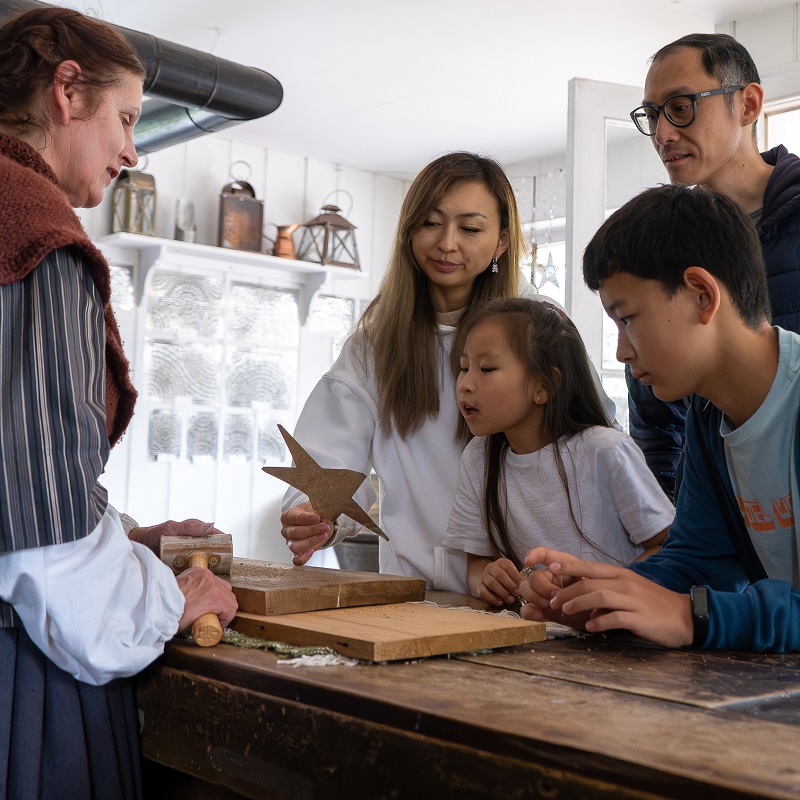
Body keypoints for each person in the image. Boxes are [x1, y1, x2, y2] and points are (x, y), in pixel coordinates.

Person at [0, 8, 237, 798]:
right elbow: (47, 557)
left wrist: (125, 538)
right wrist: (164, 596)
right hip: (19, 685)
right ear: (68, 91)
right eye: (127, 119)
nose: (133, 151)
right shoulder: (33, 231)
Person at [279, 152, 617, 593]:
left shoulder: (541, 332)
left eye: (470, 228)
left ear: (501, 242)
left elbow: (595, 448)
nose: (446, 243)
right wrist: (314, 513)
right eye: (430, 223)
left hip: (537, 596)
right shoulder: (374, 347)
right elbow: (328, 468)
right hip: (414, 599)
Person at [519, 183, 800, 652]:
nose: (620, 350)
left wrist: (695, 616)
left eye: (627, 318)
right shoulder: (710, 415)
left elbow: (696, 606)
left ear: (700, 295)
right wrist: (600, 594)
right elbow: (696, 561)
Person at [626, 32, 800, 501]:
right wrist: (672, 528)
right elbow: (654, 425)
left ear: (748, 105)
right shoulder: (661, 246)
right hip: (715, 533)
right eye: (652, 115)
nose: (662, 133)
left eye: (680, 106)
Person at [442, 297, 672, 606]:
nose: (465, 385)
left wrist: (604, 587)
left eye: (487, 368)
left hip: (624, 636)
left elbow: (669, 549)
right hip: (540, 635)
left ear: (544, 385)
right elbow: (476, 565)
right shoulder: (478, 458)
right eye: (463, 367)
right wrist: (487, 578)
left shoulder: (606, 452)